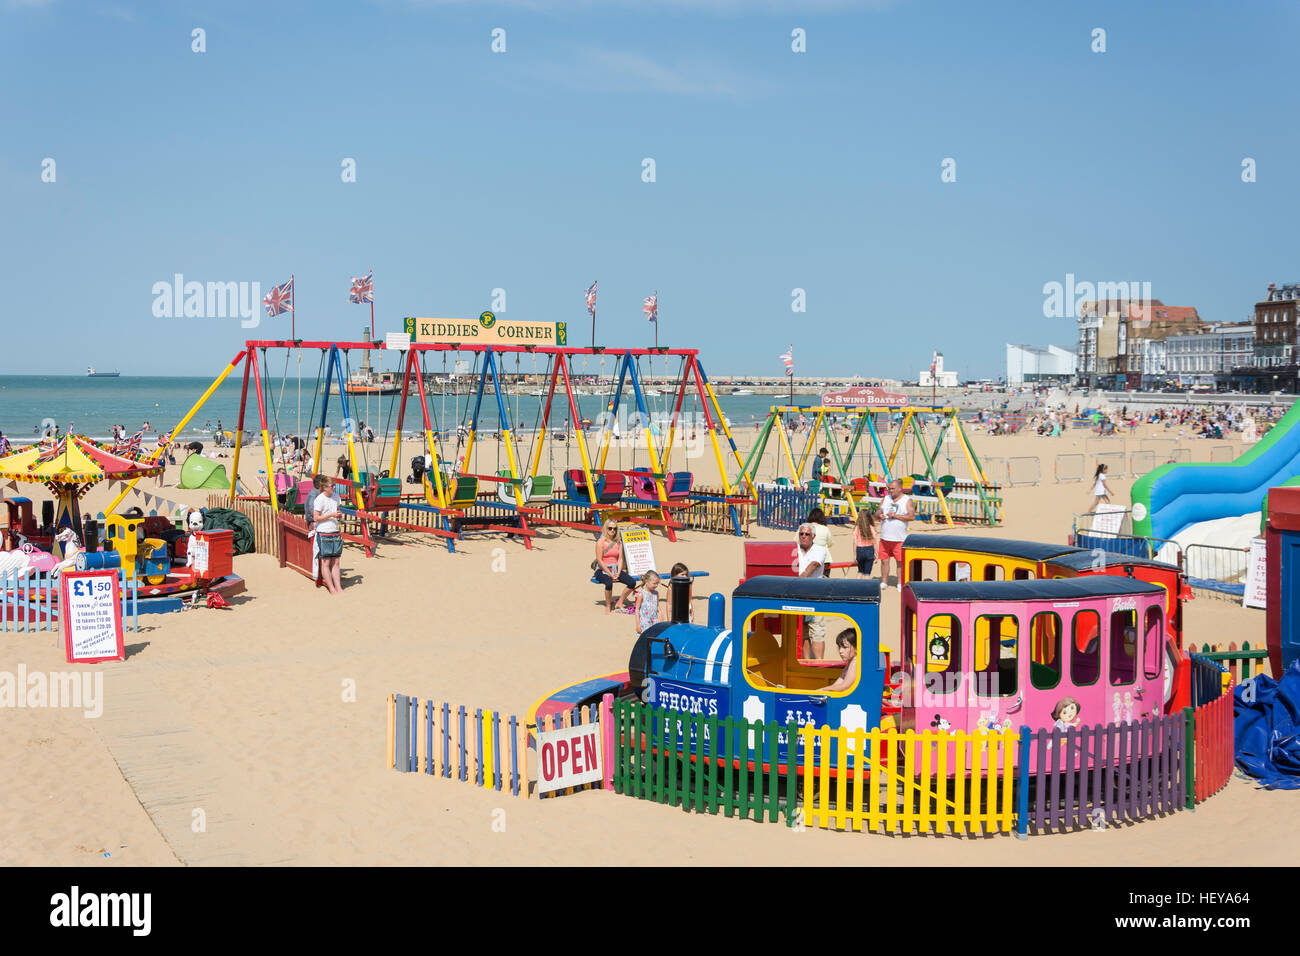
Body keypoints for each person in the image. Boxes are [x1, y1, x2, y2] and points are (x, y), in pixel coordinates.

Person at [793, 523, 830, 658]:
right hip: (798, 595)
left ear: (813, 536)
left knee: (817, 630)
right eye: (801, 534)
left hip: (814, 595)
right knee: (802, 631)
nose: (803, 536)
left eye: (807, 534)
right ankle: (807, 663)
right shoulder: (794, 549)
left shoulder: (820, 549)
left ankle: (819, 662)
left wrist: (799, 579)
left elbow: (814, 565)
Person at [877, 478, 915, 589]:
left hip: (899, 538)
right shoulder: (886, 498)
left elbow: (911, 516)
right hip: (885, 537)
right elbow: (878, 510)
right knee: (884, 561)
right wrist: (880, 515)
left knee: (900, 563)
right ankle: (884, 582)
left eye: (893, 489)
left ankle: (900, 583)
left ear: (900, 488)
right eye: (889, 488)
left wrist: (896, 516)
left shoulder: (907, 500)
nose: (890, 491)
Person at [593, 519, 636, 614]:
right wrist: (610, 574)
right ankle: (608, 605)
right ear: (606, 529)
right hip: (602, 569)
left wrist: (618, 572)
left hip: (615, 568)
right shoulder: (600, 542)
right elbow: (599, 560)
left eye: (614, 528)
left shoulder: (618, 542)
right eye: (610, 528)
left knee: (632, 582)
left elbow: (620, 559)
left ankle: (620, 602)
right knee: (609, 583)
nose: (612, 530)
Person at [313, 476, 344, 595]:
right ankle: (331, 588)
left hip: (335, 530)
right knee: (325, 562)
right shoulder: (319, 499)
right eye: (332, 486)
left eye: (334, 485)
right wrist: (330, 515)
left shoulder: (336, 497)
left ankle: (338, 587)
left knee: (336, 561)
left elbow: (338, 510)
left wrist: (338, 515)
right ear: (325, 487)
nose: (334, 487)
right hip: (324, 532)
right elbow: (316, 518)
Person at [813, 629, 859, 693]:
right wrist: (825, 690)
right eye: (839, 647)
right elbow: (838, 683)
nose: (840, 651)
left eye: (845, 647)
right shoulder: (850, 662)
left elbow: (844, 686)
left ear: (856, 648)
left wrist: (823, 690)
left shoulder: (856, 661)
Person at [852, 506, 878, 579]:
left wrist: (854, 554)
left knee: (860, 571)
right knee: (867, 573)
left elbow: (855, 542)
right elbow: (874, 542)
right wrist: (876, 554)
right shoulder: (871, 528)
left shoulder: (857, 528)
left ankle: (857, 587)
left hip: (859, 549)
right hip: (869, 550)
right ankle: (866, 588)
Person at [807, 507, 834, 576]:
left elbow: (798, 542)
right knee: (824, 581)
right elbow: (830, 543)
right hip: (824, 559)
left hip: (809, 559)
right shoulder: (825, 529)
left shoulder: (805, 528)